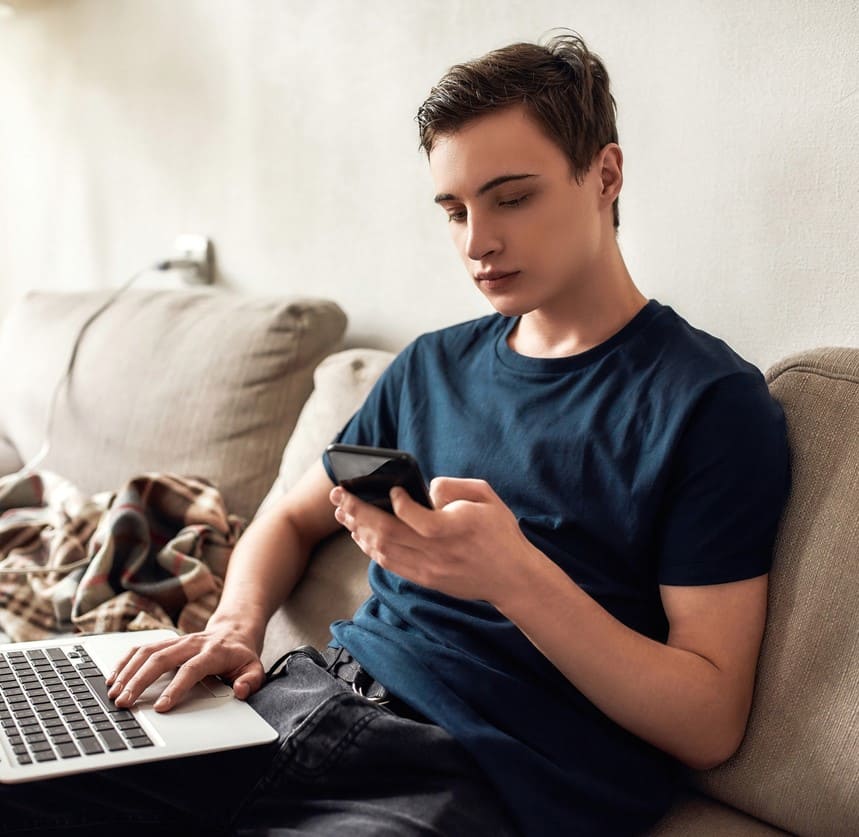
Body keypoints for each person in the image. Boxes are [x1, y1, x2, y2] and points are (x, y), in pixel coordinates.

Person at [1, 30, 790, 836]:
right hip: (296, 703)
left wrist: (511, 574)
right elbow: (289, 515)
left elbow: (707, 717)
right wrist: (235, 627)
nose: (476, 242)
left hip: (475, 773)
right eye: (454, 209)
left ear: (605, 174)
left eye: (511, 197)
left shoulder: (708, 402)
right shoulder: (429, 365)